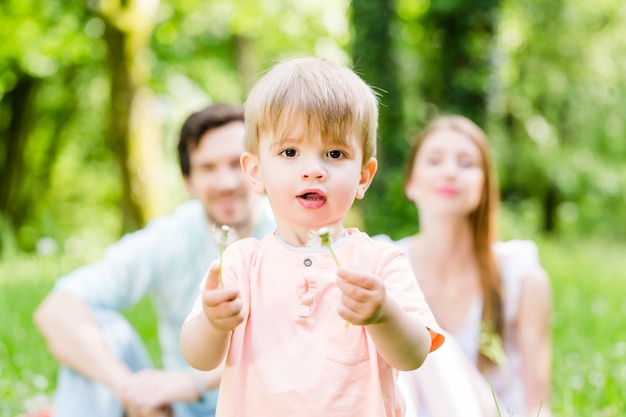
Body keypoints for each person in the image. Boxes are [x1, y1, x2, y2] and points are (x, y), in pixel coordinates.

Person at [179, 57, 445, 417]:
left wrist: (384, 315)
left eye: (335, 153)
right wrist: (213, 321)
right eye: (290, 152)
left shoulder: (379, 263)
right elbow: (199, 358)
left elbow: (413, 356)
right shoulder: (241, 264)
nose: (313, 170)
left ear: (364, 176)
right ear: (255, 172)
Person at [33, 103, 276, 417]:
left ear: (258, 169)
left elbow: (300, 349)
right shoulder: (172, 236)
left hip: (266, 406)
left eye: (236, 164)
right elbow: (56, 309)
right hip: (178, 410)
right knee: (101, 331)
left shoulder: (292, 233)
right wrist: (127, 389)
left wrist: (194, 383)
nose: (226, 183)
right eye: (207, 168)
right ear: (188, 182)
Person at [387, 115, 552, 417]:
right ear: (410, 183)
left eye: (466, 163)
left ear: (484, 186)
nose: (450, 172)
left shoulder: (520, 275)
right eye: (435, 161)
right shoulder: (385, 262)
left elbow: (538, 407)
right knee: (401, 340)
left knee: (430, 343)